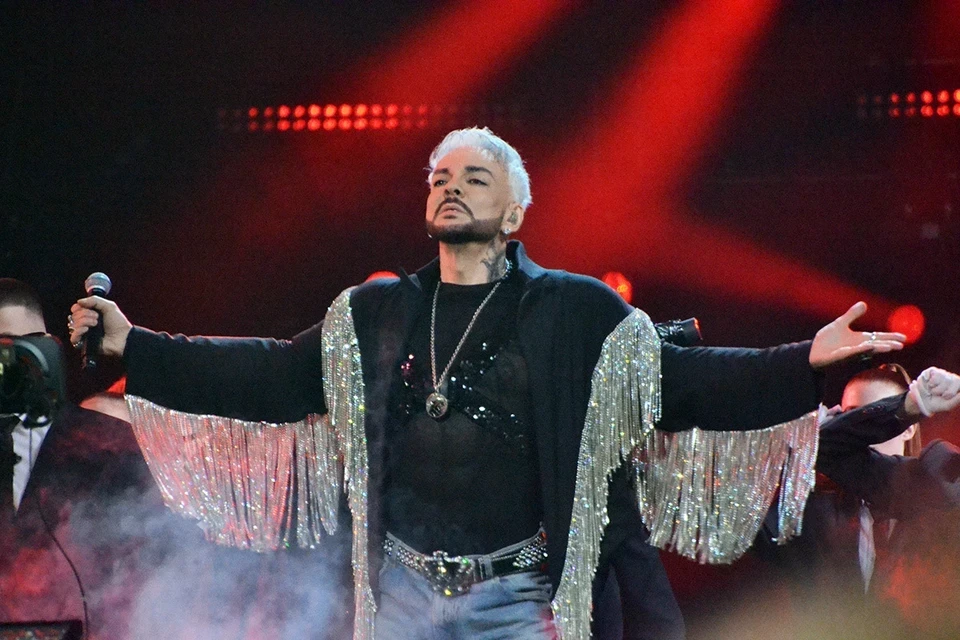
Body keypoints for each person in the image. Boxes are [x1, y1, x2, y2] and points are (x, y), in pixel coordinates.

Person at [68, 127, 904, 640]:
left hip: (519, 599)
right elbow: (270, 375)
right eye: (439, 175)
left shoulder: (577, 311)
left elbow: (686, 382)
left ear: (513, 214)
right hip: (398, 595)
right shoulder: (373, 313)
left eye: (474, 178)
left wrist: (807, 361)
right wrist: (136, 345)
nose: (449, 185)